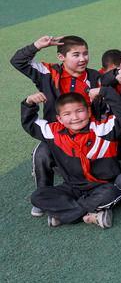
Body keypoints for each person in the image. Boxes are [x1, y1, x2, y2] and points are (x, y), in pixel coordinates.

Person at [11, 35, 105, 215]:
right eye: (76, 55)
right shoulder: (48, 72)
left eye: (85, 53)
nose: (83, 59)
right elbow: (18, 61)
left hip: (88, 134)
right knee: (41, 153)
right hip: (57, 135)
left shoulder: (95, 78)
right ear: (61, 57)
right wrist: (37, 45)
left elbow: (106, 109)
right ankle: (44, 192)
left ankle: (87, 189)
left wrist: (101, 95)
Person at [22, 85, 121, 229]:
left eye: (79, 111)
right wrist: (29, 103)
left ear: (89, 111)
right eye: (67, 114)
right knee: (38, 196)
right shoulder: (53, 132)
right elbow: (30, 124)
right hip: (73, 187)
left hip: (103, 185)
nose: (74, 118)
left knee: (113, 191)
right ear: (59, 119)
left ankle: (63, 216)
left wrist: (105, 91)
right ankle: (90, 215)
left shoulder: (103, 129)